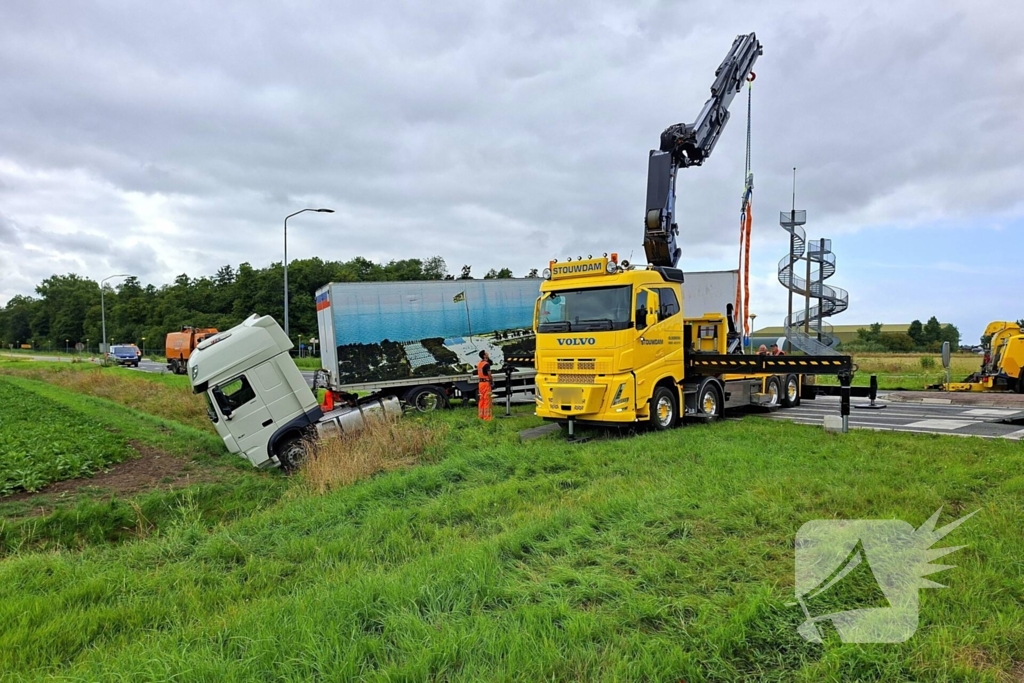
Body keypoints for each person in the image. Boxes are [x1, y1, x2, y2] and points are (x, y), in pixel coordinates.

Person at [476, 350, 493, 421]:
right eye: (486, 353)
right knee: (487, 400)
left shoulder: (479, 363)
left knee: (481, 400)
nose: (488, 354)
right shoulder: (486, 364)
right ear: (484, 355)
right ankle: (487, 417)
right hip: (486, 383)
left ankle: (481, 416)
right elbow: (489, 374)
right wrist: (492, 381)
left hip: (480, 383)